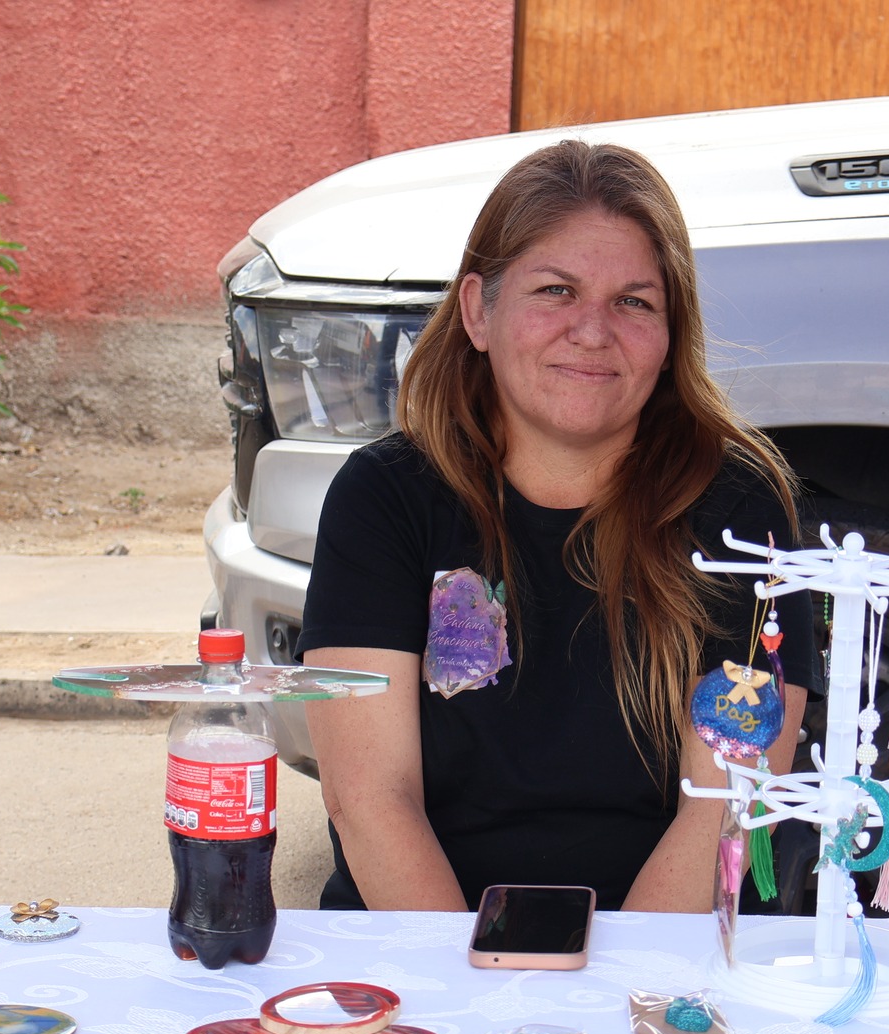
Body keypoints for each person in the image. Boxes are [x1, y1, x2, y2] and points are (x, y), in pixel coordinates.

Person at [300, 140, 817, 912]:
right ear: (478, 310)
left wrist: (613, 1005)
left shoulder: (737, 514)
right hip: (424, 952)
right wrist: (472, 999)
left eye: (634, 301)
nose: (593, 330)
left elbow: (724, 811)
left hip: (664, 959)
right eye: (556, 290)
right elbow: (370, 800)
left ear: (671, 332)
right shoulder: (385, 500)